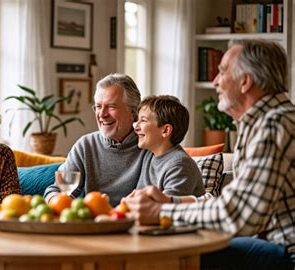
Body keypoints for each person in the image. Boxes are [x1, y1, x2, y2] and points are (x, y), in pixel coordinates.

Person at [124, 39, 294, 269]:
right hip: (270, 245)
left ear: (245, 81)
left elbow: (241, 214)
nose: (215, 81)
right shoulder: (262, 122)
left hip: (286, 252)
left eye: (222, 72)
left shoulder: (274, 125)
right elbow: (237, 204)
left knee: (171, 258)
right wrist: (171, 202)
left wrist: (161, 211)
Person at [44, 73, 148, 207]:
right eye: (98, 106)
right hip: (94, 223)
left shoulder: (149, 145)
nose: (102, 114)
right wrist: (59, 203)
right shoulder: (86, 145)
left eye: (111, 107)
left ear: (133, 112)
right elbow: (56, 190)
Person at [132, 95, 205, 198]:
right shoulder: (149, 154)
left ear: (165, 130)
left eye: (143, 120)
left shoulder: (180, 165)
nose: (135, 126)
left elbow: (165, 209)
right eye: (137, 120)